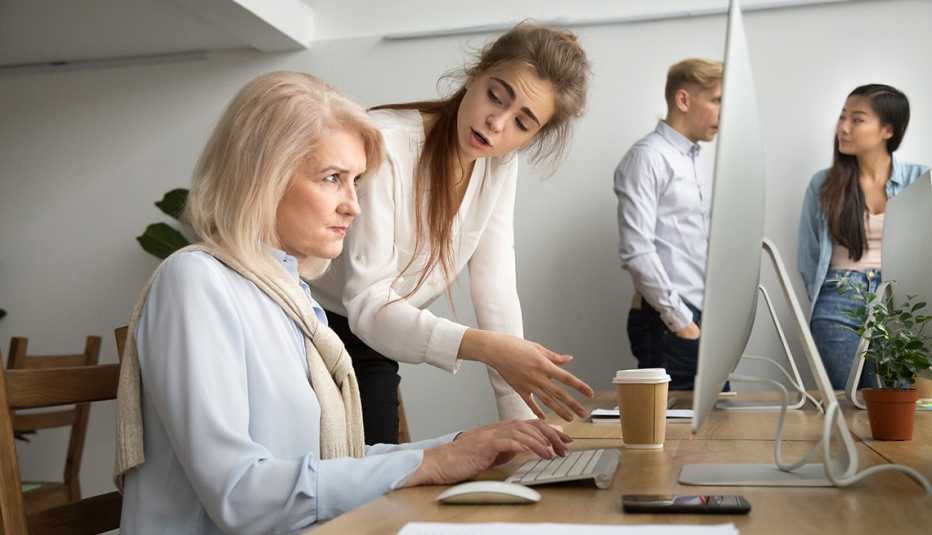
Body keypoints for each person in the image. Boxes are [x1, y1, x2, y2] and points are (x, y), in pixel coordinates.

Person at [114, 71, 572, 534]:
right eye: (333, 178)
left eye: (355, 181)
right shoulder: (195, 282)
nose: (353, 205)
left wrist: (464, 446)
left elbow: (334, 461)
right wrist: (432, 462)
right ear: (263, 174)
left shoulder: (289, 297)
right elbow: (240, 494)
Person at [311, 22, 594, 444]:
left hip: (378, 337)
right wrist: (483, 347)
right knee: (354, 484)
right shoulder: (386, 144)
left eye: (522, 122)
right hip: (315, 325)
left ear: (534, 137)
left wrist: (525, 422)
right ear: (475, 75)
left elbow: (495, 291)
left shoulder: (499, 164)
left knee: (382, 475)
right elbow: (368, 302)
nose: (497, 123)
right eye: (496, 96)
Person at [798, 84, 928, 390]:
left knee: (896, 404)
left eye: (857, 119)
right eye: (843, 117)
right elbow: (809, 257)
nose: (843, 127)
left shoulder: (920, 180)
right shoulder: (823, 184)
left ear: (887, 130)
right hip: (838, 298)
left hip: (900, 301)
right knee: (851, 402)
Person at [613, 58, 723, 391]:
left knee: (715, 429)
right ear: (683, 100)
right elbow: (637, 251)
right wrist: (681, 322)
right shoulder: (647, 157)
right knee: (676, 438)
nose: (723, 113)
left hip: (698, 315)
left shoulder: (695, 161)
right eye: (717, 100)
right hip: (669, 320)